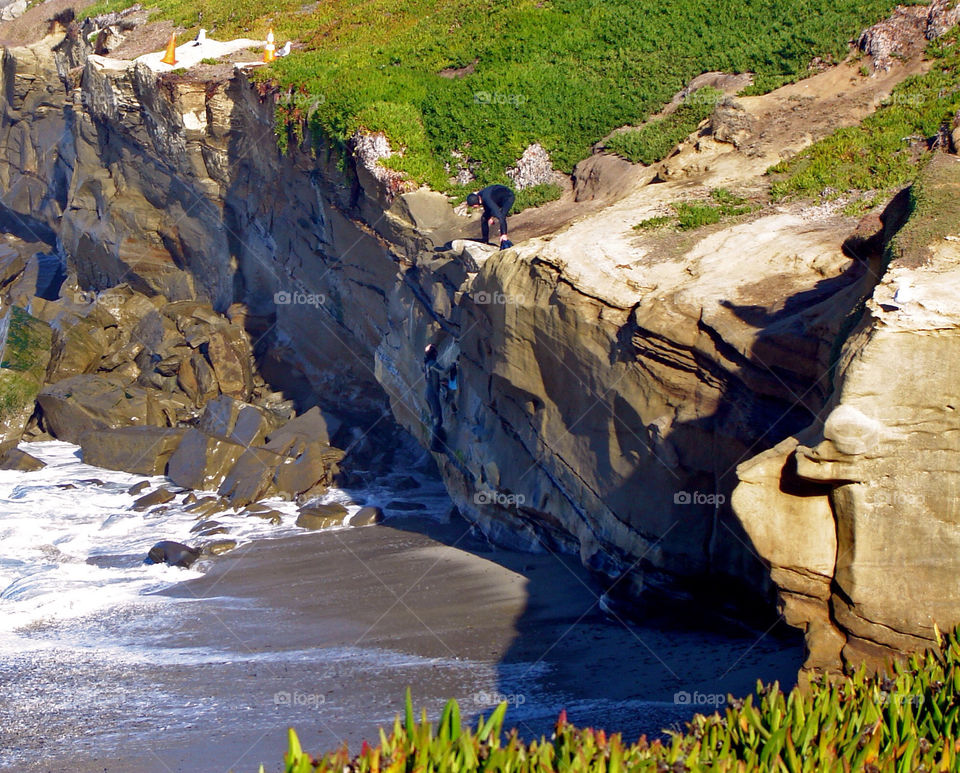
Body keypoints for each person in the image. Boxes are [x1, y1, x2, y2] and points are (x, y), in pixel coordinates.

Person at [466, 184, 515, 249]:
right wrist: (489, 216)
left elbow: (500, 217)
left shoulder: (487, 199)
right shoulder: (480, 195)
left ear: (476, 203)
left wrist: (504, 234)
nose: (472, 207)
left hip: (508, 197)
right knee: (484, 218)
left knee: (501, 215)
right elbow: (486, 205)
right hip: (496, 197)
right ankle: (485, 239)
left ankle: (504, 238)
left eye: (473, 206)